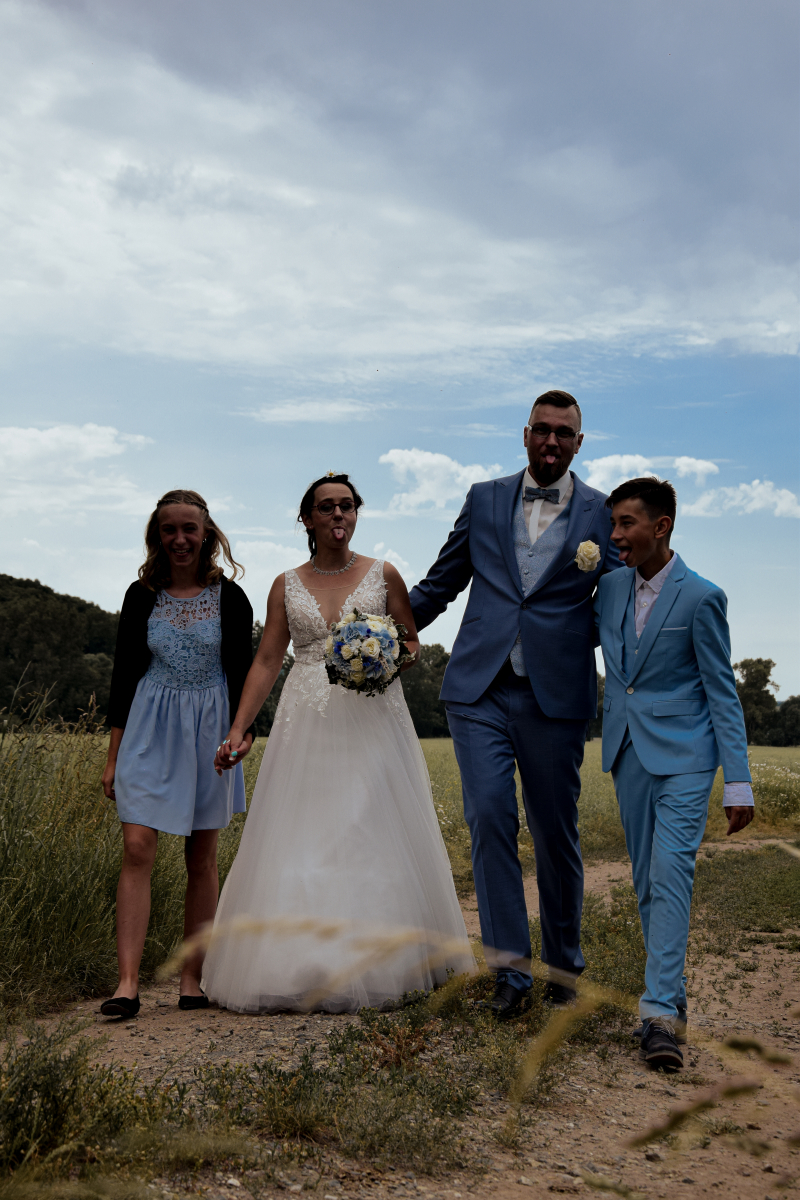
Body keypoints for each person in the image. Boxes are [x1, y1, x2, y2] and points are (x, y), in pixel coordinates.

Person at [203, 472, 474, 1013]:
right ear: (307, 519)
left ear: (356, 513)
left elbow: (412, 643)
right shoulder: (285, 584)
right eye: (326, 507)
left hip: (373, 715)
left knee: (364, 826)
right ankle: (299, 962)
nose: (337, 515)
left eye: (346, 506)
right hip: (306, 717)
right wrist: (238, 728)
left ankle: (379, 961)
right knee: (306, 831)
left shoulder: (383, 574)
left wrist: (381, 656)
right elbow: (267, 660)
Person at [409, 390, 621, 1020]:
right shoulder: (483, 498)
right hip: (478, 688)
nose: (552, 441)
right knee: (491, 817)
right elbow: (440, 583)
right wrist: (378, 633)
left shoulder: (602, 511)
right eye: (542, 430)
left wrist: (587, 644)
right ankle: (510, 973)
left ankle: (562, 966)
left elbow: (618, 599)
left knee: (555, 833)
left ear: (579, 443)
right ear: (525, 433)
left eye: (564, 433)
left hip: (555, 695)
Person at [595, 476, 753, 1070]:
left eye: (626, 524)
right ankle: (672, 995)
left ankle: (658, 1015)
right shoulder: (609, 587)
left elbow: (722, 691)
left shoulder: (703, 597)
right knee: (646, 882)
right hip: (627, 751)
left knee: (670, 875)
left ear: (660, 526)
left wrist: (737, 780)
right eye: (612, 524)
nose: (615, 536)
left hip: (688, 756)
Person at [101, 489, 254, 1018]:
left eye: (190, 528)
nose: (180, 539)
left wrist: (242, 734)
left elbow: (244, 672)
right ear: (157, 535)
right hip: (149, 727)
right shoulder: (140, 594)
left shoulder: (231, 597)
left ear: (207, 533)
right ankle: (127, 984)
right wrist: (113, 756)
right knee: (137, 846)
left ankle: (192, 978)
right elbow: (123, 675)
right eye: (170, 529)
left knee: (201, 857)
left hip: (211, 730)